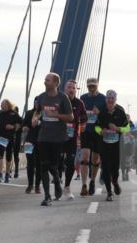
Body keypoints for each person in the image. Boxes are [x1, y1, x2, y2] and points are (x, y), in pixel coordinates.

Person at [31, 73, 75, 206]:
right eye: (45, 80)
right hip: (43, 135)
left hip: (57, 137)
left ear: (56, 83)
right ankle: (47, 196)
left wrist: (55, 114)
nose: (45, 82)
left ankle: (56, 180)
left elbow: (70, 117)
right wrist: (35, 118)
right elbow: (37, 111)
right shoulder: (41, 97)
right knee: (43, 165)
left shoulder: (63, 98)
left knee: (53, 166)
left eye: (48, 80)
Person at [94, 89, 129, 201]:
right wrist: (100, 131)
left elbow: (127, 128)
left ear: (115, 100)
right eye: (108, 98)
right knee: (105, 168)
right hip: (104, 144)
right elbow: (96, 126)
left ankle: (115, 182)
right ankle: (109, 192)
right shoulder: (102, 112)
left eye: (112, 98)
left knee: (114, 168)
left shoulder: (120, 111)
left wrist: (118, 128)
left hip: (117, 145)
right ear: (106, 99)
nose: (110, 100)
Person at [79, 77, 107, 195]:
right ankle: (84, 185)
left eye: (93, 86)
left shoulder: (103, 99)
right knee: (84, 158)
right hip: (86, 131)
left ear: (97, 86)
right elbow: (78, 114)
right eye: (89, 86)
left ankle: (92, 181)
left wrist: (99, 113)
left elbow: (106, 117)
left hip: (97, 132)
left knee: (95, 160)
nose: (91, 88)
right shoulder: (83, 98)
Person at [61, 79, 86, 199]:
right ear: (65, 89)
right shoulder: (59, 100)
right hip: (58, 137)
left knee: (70, 163)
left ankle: (66, 187)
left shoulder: (79, 103)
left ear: (76, 90)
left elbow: (84, 118)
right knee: (56, 163)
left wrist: (81, 129)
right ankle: (57, 182)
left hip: (72, 138)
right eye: (69, 87)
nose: (71, 90)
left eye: (73, 88)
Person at [0, 99, 21, 182]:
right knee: (0, 154)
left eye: (4, 104)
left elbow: (20, 123)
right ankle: (0, 174)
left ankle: (7, 174)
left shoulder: (14, 113)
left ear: (8, 105)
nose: (2, 105)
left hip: (10, 137)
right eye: (1, 104)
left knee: (8, 156)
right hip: (1, 136)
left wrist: (13, 127)